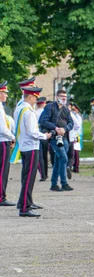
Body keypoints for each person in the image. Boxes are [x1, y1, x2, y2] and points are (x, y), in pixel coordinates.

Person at [12, 87, 52, 217]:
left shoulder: (19, 108)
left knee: (26, 177)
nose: (36, 100)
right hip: (31, 146)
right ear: (30, 97)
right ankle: (24, 207)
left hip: (24, 145)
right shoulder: (28, 111)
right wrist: (44, 136)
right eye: (35, 97)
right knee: (29, 178)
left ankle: (23, 201)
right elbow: (32, 132)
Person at [39, 89, 74, 192]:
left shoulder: (66, 109)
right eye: (62, 96)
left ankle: (54, 184)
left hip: (64, 137)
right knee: (64, 158)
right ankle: (64, 183)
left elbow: (71, 123)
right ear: (57, 97)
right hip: (54, 137)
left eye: (65, 97)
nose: (64, 98)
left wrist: (65, 129)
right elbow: (43, 121)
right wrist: (55, 128)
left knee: (59, 161)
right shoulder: (50, 107)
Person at [0, 80, 16, 207]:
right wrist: (12, 137)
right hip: (2, 141)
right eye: (5, 93)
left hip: (3, 140)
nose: (6, 95)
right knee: (3, 170)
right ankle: (1, 197)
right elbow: (3, 128)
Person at [35, 97, 49, 181]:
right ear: (44, 104)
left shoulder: (34, 112)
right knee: (45, 156)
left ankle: (43, 174)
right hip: (46, 135)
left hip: (38, 135)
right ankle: (45, 173)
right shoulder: (46, 113)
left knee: (40, 156)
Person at [67, 103, 82, 175]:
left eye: (74, 109)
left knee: (75, 153)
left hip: (76, 137)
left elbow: (78, 127)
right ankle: (72, 166)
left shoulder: (77, 117)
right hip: (72, 136)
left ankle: (76, 167)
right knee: (73, 153)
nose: (72, 110)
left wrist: (75, 135)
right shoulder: (72, 115)